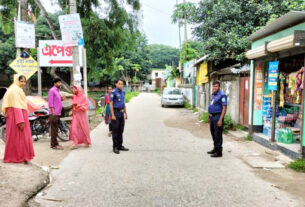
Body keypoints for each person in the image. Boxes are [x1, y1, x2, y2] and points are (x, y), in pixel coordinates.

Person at [2, 74, 35, 163]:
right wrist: (20, 120)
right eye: (21, 81)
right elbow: (16, 106)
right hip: (17, 116)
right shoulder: (15, 90)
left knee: (14, 137)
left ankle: (17, 156)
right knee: (19, 138)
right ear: (17, 80)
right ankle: (18, 157)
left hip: (16, 115)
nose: (23, 83)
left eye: (25, 81)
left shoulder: (15, 88)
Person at [207, 81, 227, 158]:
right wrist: (209, 116)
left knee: (218, 134)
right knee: (213, 133)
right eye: (214, 86)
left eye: (216, 86)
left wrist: (220, 119)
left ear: (219, 87)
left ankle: (219, 152)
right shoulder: (213, 94)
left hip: (218, 117)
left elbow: (224, 108)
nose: (215, 87)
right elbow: (211, 105)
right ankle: (215, 148)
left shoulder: (222, 95)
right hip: (212, 116)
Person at [109, 79, 129, 154]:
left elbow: (123, 103)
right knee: (115, 131)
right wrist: (113, 114)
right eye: (119, 84)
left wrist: (126, 113)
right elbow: (111, 104)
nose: (121, 85)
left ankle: (120, 145)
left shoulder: (123, 92)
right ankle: (115, 147)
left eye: (122, 84)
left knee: (121, 130)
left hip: (121, 113)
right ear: (116, 84)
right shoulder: (113, 92)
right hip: (116, 113)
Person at [48, 78, 64, 150]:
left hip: (58, 112)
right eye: (58, 82)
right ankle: (54, 145)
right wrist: (53, 111)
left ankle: (55, 143)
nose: (60, 84)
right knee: (54, 129)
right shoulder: (52, 90)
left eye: (60, 82)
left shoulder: (57, 91)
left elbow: (57, 100)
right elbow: (50, 102)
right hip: (54, 113)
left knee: (56, 129)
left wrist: (62, 99)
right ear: (55, 83)